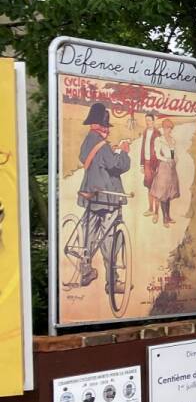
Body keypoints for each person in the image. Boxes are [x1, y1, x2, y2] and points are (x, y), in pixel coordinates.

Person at [75, 102, 131, 288]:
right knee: (111, 238)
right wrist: (123, 151)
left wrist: (110, 151)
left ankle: (85, 271)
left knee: (89, 234)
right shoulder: (101, 143)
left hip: (91, 196)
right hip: (107, 198)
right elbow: (117, 166)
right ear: (98, 125)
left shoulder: (87, 141)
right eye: (105, 125)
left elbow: (91, 160)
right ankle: (112, 283)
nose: (107, 130)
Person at [150, 116, 181, 226]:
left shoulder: (172, 140)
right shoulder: (159, 140)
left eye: (170, 128)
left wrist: (175, 159)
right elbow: (158, 155)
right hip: (163, 167)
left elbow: (174, 153)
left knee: (168, 193)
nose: (169, 130)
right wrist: (167, 160)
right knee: (163, 194)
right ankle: (164, 219)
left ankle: (168, 216)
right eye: (167, 128)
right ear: (163, 128)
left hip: (171, 167)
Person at [138, 112, 160, 220]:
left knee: (156, 189)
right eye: (146, 120)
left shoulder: (157, 133)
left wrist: (158, 166)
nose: (147, 122)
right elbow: (143, 148)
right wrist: (142, 164)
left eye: (149, 120)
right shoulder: (145, 132)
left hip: (155, 164)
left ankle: (156, 213)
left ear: (153, 121)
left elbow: (160, 151)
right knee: (149, 187)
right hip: (146, 163)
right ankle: (151, 209)